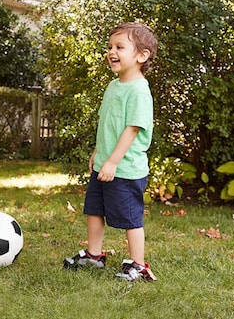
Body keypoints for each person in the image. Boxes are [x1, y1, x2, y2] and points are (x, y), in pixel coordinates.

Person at [63, 22, 159, 282]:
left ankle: (139, 265)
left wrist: (113, 161)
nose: (111, 52)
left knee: (130, 218)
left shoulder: (139, 91)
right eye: (109, 47)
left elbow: (132, 129)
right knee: (94, 209)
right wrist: (98, 153)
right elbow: (108, 124)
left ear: (141, 56)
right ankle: (94, 255)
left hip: (125, 169)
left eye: (120, 47)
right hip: (104, 164)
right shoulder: (114, 86)